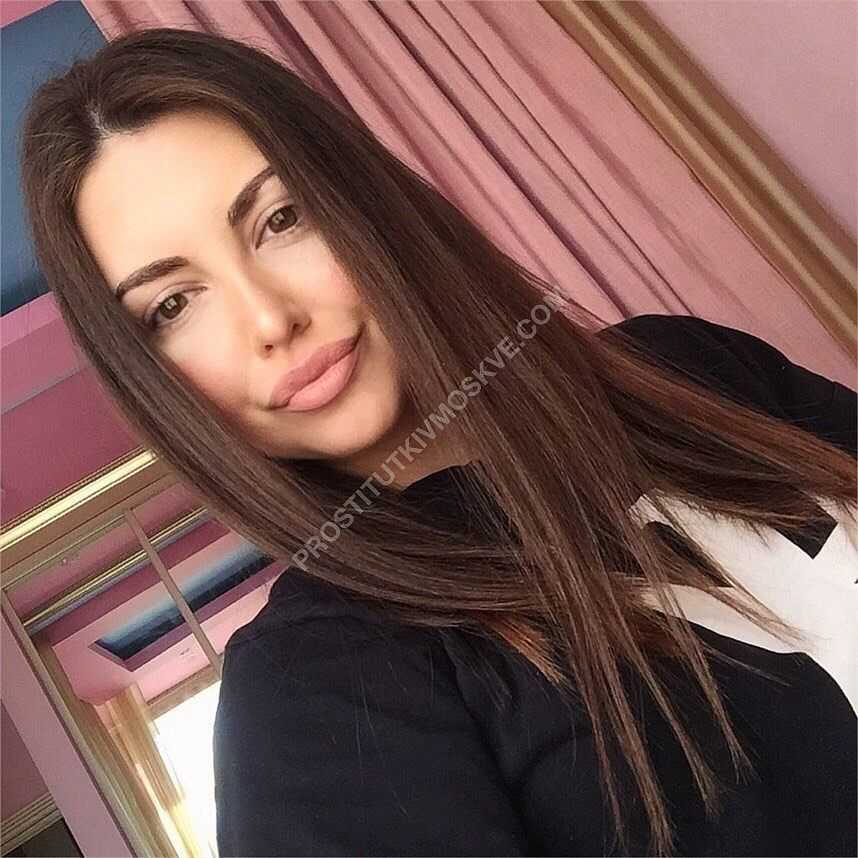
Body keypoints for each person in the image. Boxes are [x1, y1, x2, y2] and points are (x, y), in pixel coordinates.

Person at [18, 26, 856, 858]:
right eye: (173, 305)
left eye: (282, 218)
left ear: (364, 197)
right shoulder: (317, 687)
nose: (270, 319)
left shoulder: (683, 367)